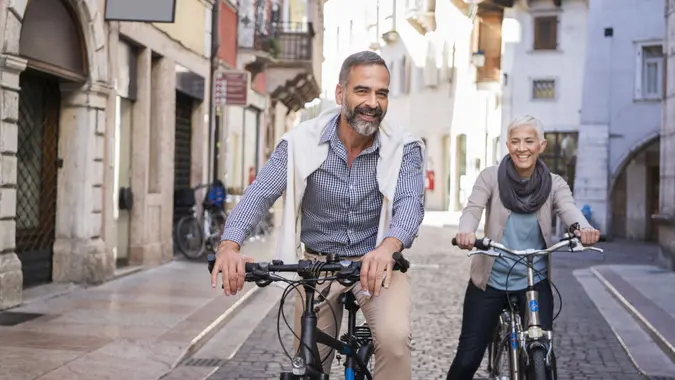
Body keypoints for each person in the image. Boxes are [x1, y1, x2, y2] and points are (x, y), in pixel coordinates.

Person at [210, 51, 426, 379]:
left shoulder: (404, 146)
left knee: (394, 341)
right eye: (362, 91)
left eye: (381, 93)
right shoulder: (300, 141)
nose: (373, 102)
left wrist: (389, 246)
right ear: (341, 94)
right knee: (309, 358)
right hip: (317, 267)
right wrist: (229, 245)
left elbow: (410, 203)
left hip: (377, 263)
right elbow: (260, 192)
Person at [446, 115, 600, 380]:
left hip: (534, 281)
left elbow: (569, 209)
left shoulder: (554, 184)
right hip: (490, 281)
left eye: (529, 141)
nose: (522, 147)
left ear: (541, 145)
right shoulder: (491, 177)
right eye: (515, 141)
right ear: (507, 145)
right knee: (468, 358)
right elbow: (473, 209)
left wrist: (583, 228)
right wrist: (466, 232)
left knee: (542, 353)